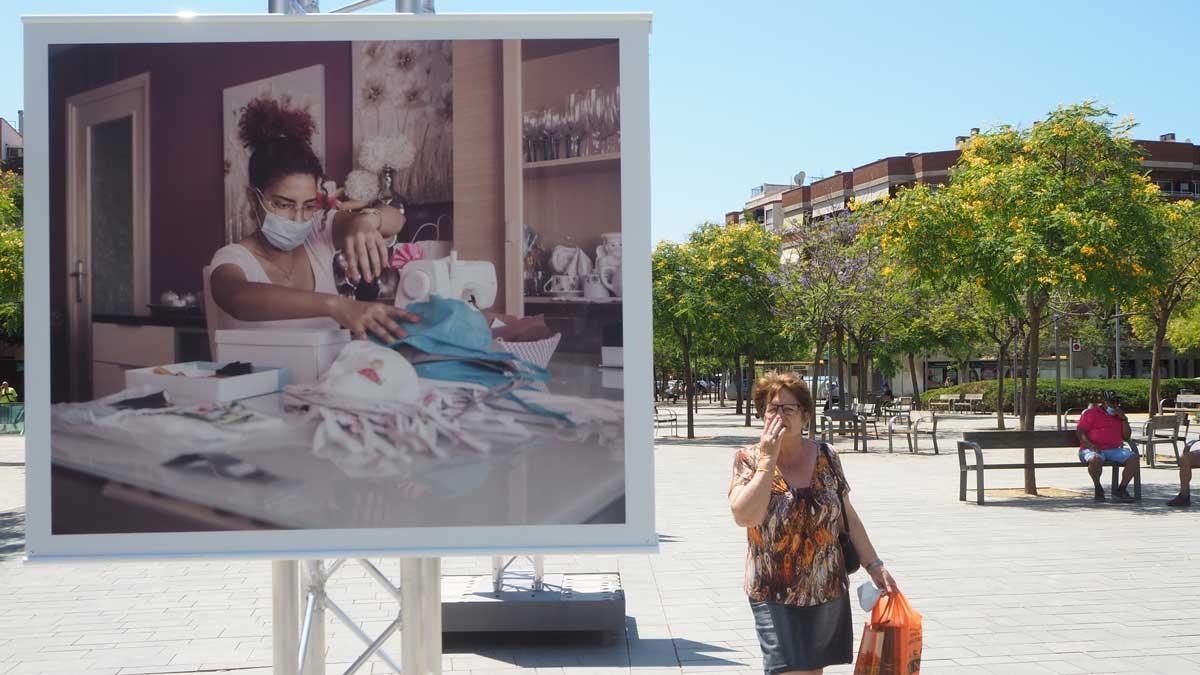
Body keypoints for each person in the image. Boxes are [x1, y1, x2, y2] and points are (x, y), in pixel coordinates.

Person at [729, 372, 898, 674]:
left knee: (812, 671)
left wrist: (875, 565)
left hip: (824, 587)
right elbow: (744, 516)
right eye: (772, 409)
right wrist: (768, 461)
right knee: (788, 669)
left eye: (788, 409)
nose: (779, 416)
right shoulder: (749, 459)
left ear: (805, 415)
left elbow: (847, 516)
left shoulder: (826, 455)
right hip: (773, 591)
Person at [210, 98, 417, 343]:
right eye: (283, 204)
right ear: (253, 199)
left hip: (326, 379)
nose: (298, 219)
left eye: (309, 206)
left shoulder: (320, 231)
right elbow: (236, 297)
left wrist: (366, 221)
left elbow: (396, 220)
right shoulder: (233, 258)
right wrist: (335, 305)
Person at [1076, 391, 1138, 503]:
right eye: (1112, 402)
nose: (1115, 405)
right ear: (1104, 402)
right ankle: (1098, 487)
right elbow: (1080, 431)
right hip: (1091, 449)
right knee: (1095, 459)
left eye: (1117, 402)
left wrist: (1124, 419)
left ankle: (1121, 490)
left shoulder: (1119, 416)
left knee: (1133, 458)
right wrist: (1090, 445)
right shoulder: (1091, 413)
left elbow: (1127, 436)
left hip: (1113, 449)